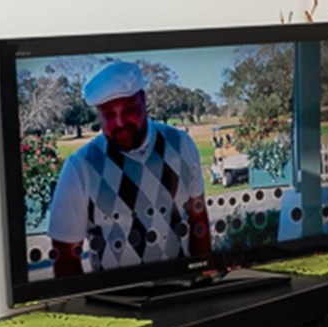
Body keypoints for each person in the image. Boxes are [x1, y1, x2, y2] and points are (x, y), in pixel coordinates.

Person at [46, 61, 210, 278]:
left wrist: (204, 280)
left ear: (144, 100)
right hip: (117, 296)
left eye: (129, 110)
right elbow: (66, 257)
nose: (121, 123)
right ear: (98, 115)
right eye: (109, 115)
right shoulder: (80, 168)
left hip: (184, 290)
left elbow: (198, 219)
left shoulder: (182, 145)